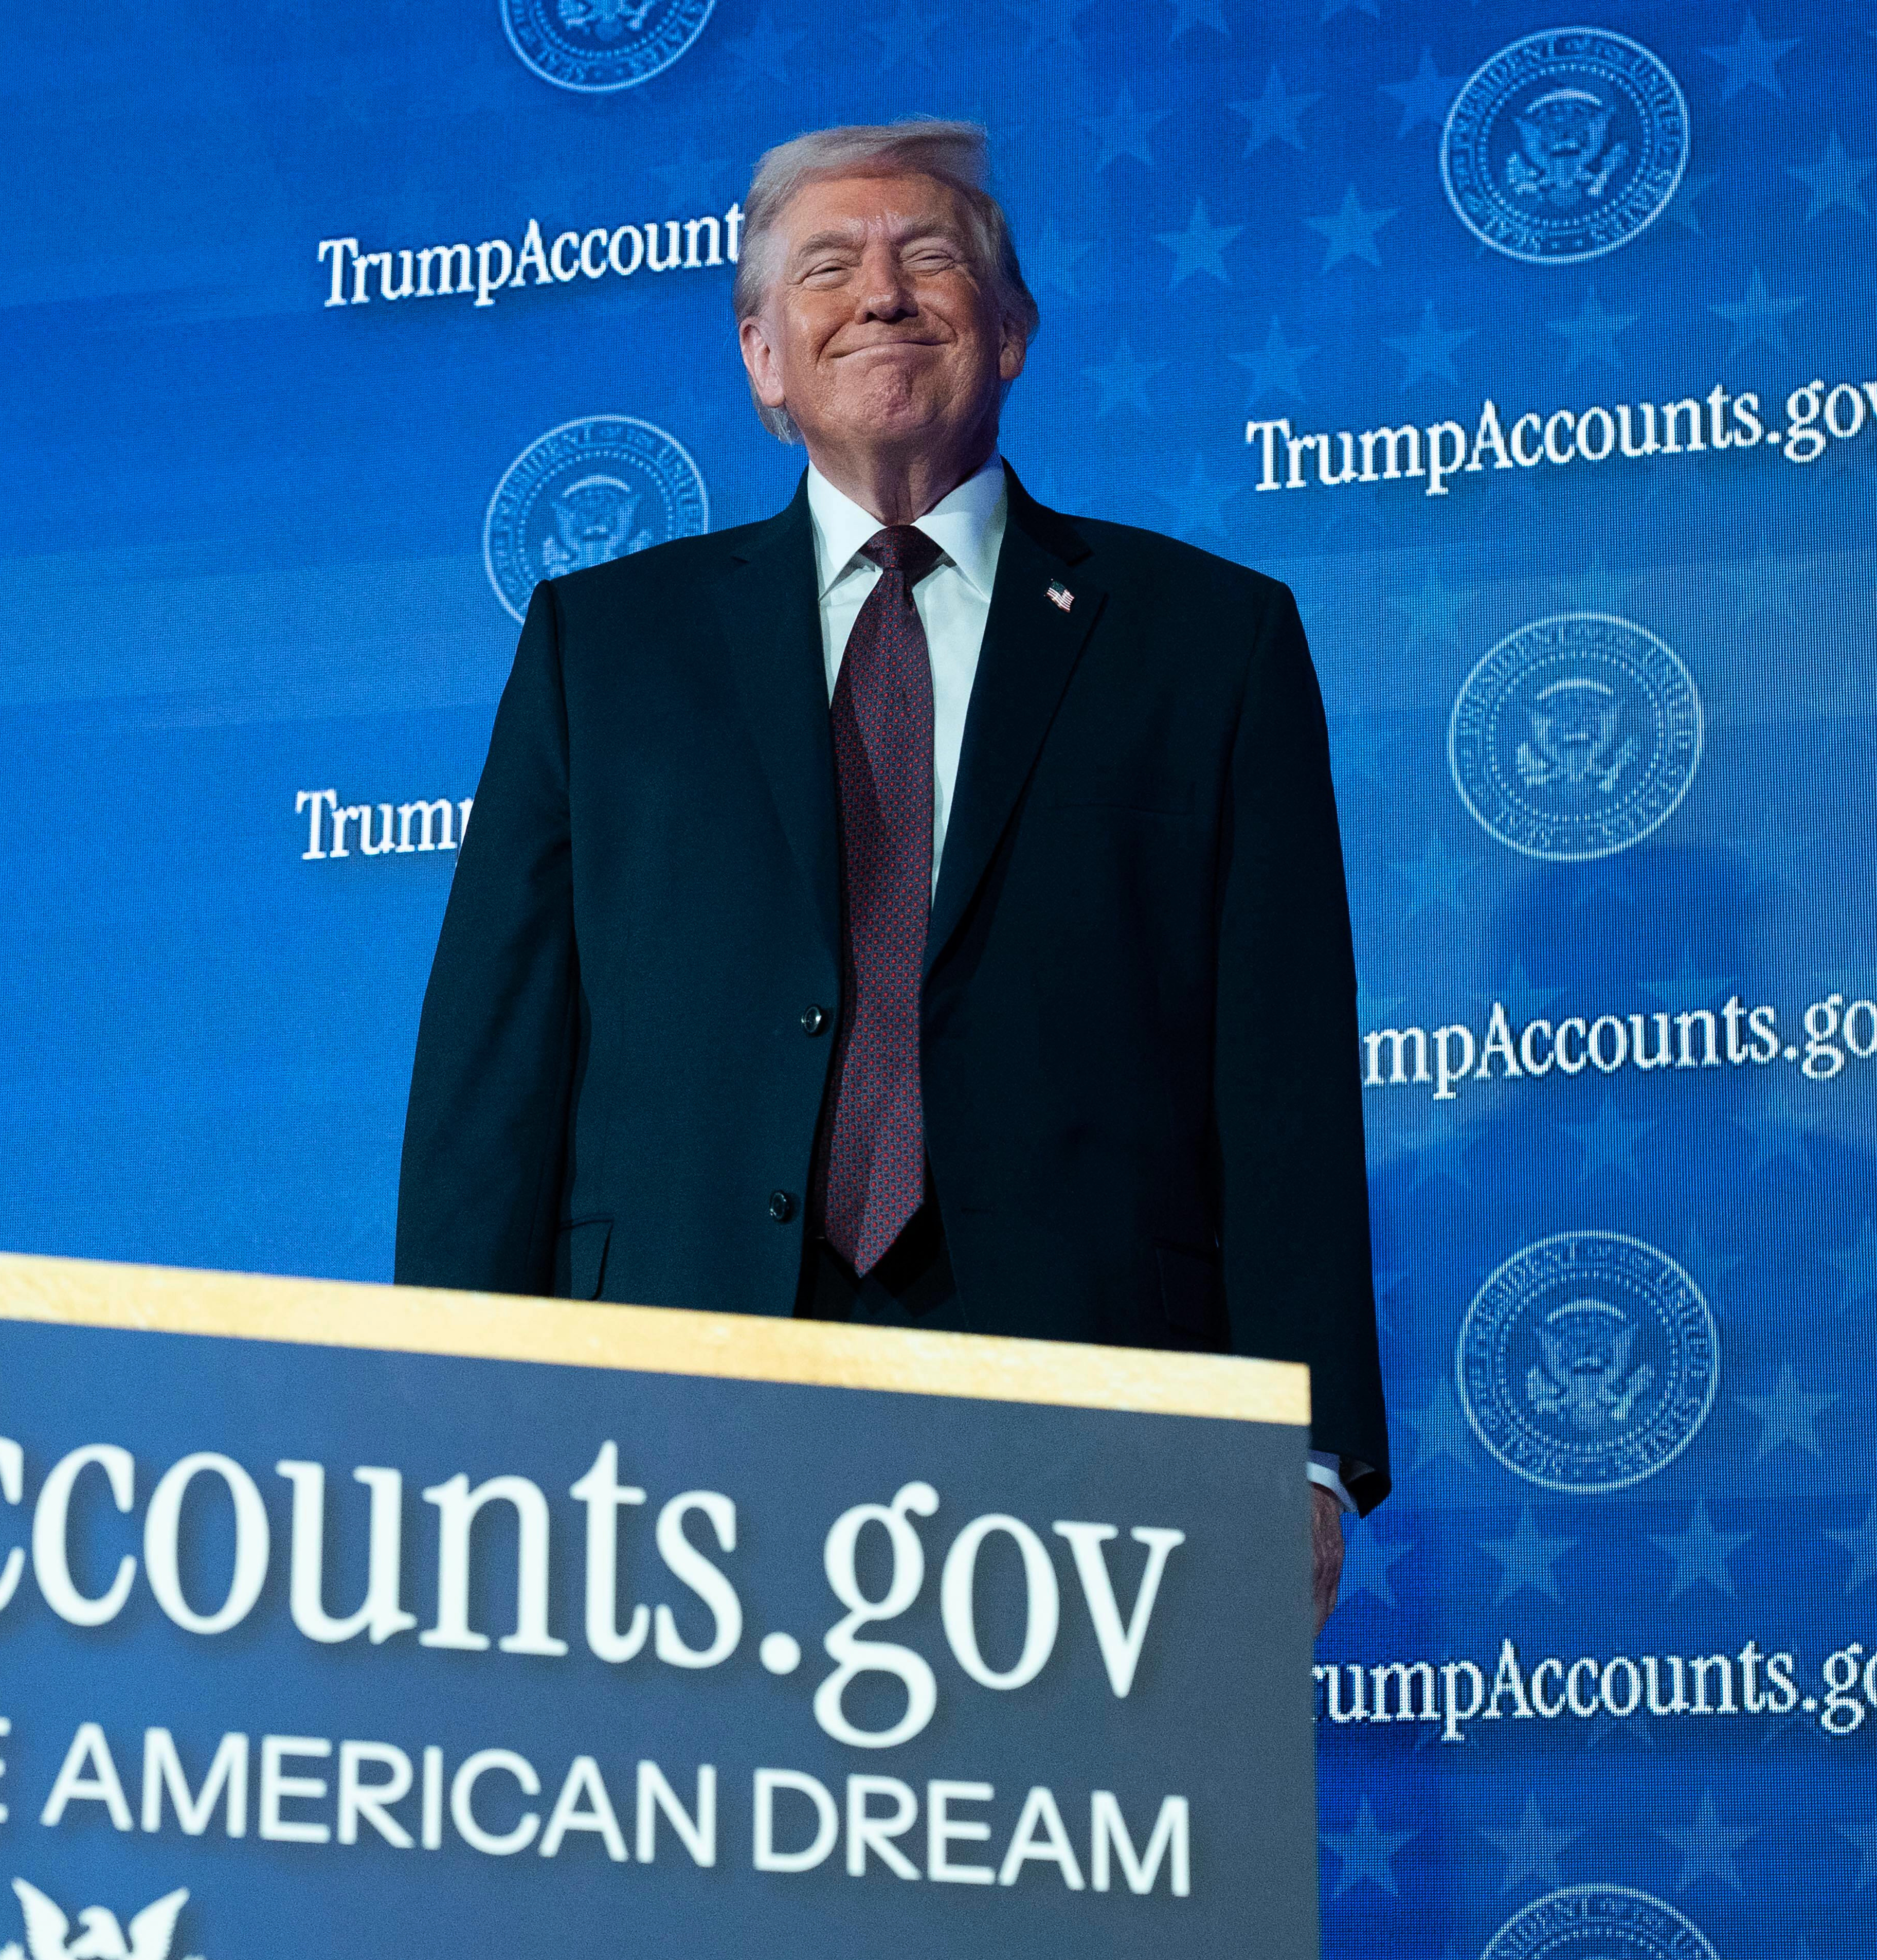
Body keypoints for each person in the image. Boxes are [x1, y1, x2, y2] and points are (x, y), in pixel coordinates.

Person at [395, 119, 1385, 1625]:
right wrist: (455, 1427)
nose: (882, 294)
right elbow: (498, 1064)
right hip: (666, 1413)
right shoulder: (606, 646)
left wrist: (1305, 1448)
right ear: (762, 362)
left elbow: (1281, 1073)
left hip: (1097, 1406)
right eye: (826, 269)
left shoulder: (1210, 642)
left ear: (1013, 332)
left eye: (930, 258)